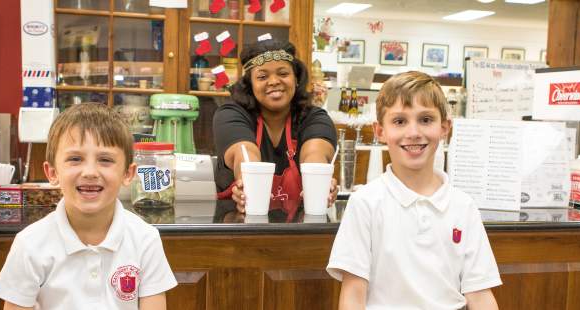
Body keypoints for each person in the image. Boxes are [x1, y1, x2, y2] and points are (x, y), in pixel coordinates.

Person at [327, 71, 501, 309]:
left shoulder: (463, 206)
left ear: (444, 127)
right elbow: (353, 294)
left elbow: (480, 295)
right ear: (380, 131)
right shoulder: (365, 203)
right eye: (399, 121)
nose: (414, 132)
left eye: (425, 119)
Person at [0, 103, 177, 309]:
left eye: (105, 160)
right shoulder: (30, 244)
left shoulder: (145, 239)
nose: (90, 172)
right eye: (75, 159)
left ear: (127, 174)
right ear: (52, 173)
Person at [213, 38, 338, 212]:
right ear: (250, 84)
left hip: (302, 231)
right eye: (262, 76)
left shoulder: (315, 118)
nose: (273, 81)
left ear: (296, 79)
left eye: (283, 73)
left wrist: (321, 182)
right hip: (238, 230)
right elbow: (244, 154)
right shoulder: (230, 115)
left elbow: (315, 155)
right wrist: (246, 184)